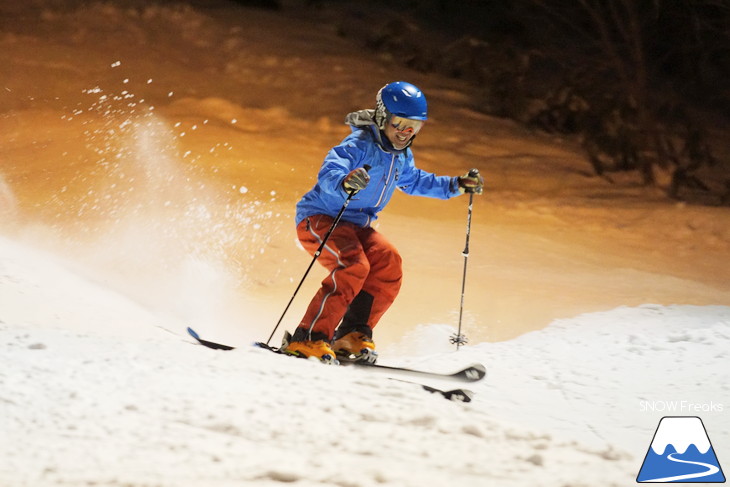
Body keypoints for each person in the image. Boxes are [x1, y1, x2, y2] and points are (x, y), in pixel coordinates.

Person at [282, 81, 484, 364]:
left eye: (414, 126)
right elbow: (330, 170)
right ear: (381, 116)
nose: (405, 132)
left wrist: (455, 185)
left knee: (388, 262)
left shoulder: (400, 155)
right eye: (399, 123)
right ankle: (308, 338)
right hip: (320, 219)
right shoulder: (359, 145)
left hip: (356, 226)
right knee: (353, 266)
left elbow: (414, 181)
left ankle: (351, 334)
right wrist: (345, 181)